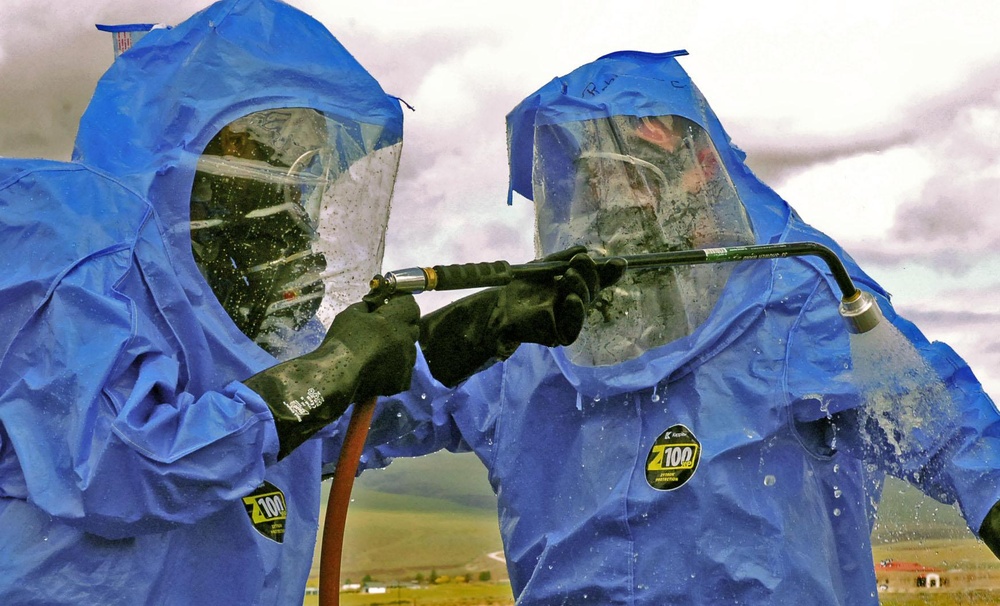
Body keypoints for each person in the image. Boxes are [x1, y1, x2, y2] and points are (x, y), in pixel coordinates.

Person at [0, 1, 618, 604]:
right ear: (184, 166)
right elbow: (125, 468)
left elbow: (307, 427)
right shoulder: (76, 260)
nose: (296, 213)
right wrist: (331, 372)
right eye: (265, 166)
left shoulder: (229, 330)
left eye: (304, 182)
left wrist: (476, 328)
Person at [352, 50, 1000, 605]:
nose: (620, 195)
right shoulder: (526, 338)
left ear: (707, 169)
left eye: (641, 165)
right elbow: (344, 424)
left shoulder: (795, 302)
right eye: (595, 174)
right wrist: (334, 372)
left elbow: (942, 422)